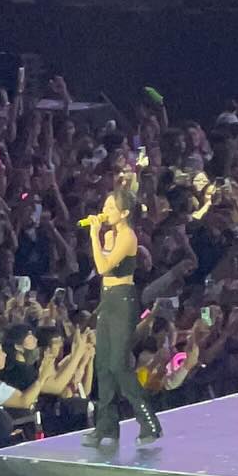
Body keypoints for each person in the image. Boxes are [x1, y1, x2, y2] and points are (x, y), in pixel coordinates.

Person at [84, 179, 162, 447]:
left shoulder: (128, 236)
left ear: (124, 213)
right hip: (107, 298)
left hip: (123, 300)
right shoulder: (110, 235)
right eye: (105, 206)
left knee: (118, 365)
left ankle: (149, 422)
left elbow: (103, 267)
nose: (105, 211)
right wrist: (100, 237)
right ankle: (106, 426)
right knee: (103, 364)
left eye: (111, 207)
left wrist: (93, 236)